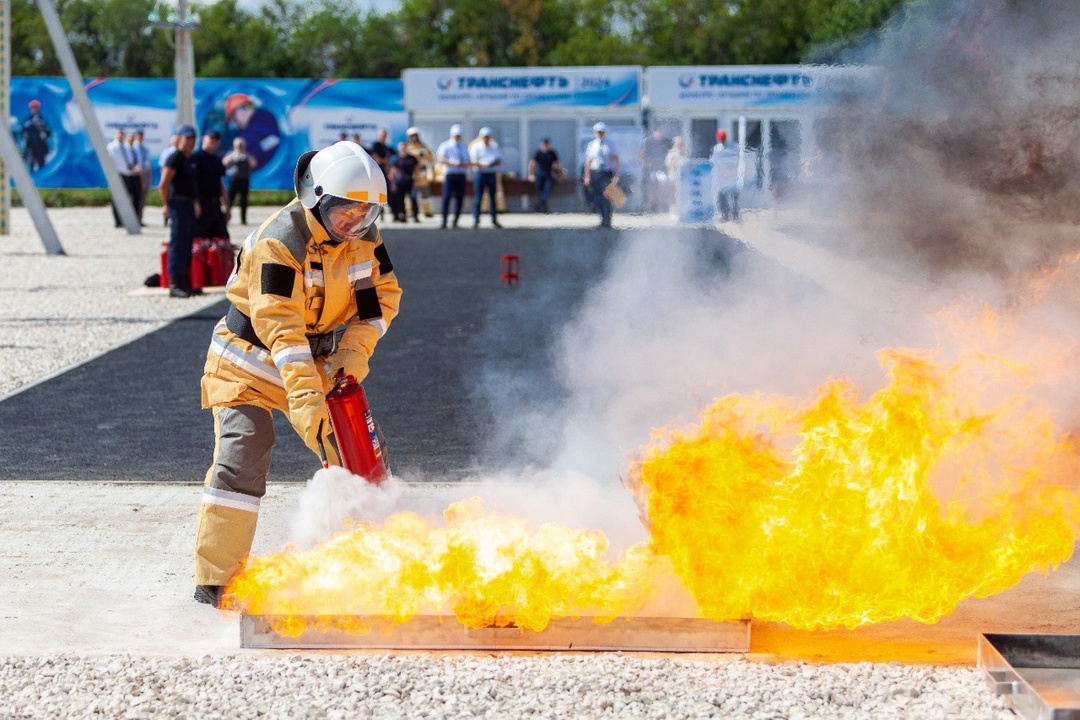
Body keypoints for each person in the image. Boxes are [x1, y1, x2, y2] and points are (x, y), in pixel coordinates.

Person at [192, 141, 401, 608]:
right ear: (317, 198)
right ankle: (218, 580)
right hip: (250, 359)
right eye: (347, 211)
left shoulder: (363, 237)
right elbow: (283, 336)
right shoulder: (279, 243)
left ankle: (373, 563)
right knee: (243, 456)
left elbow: (378, 302)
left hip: (320, 359)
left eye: (367, 214)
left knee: (361, 452)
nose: (356, 224)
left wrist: (351, 357)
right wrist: (309, 404)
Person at [157, 124, 200, 298]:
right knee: (178, 244)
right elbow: (163, 184)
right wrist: (166, 204)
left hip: (188, 205)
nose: (190, 142)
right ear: (179, 138)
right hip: (178, 204)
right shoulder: (174, 157)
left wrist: (196, 203)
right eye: (187, 138)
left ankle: (185, 281)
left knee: (187, 243)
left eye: (192, 139)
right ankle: (174, 283)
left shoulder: (188, 159)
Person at [222, 92, 281, 169]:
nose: (235, 125)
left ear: (240, 112)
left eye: (233, 119)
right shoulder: (265, 118)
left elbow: (242, 144)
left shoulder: (258, 124)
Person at [192, 131, 231, 239]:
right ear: (204, 139)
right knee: (200, 240)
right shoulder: (196, 158)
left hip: (215, 204)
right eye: (211, 139)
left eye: (216, 139)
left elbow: (221, 184)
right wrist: (195, 203)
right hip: (201, 204)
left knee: (221, 237)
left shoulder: (217, 160)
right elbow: (191, 183)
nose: (214, 142)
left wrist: (227, 206)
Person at [582, 122, 620, 229]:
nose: (600, 134)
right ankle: (602, 219)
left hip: (606, 173)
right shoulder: (592, 145)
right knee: (597, 197)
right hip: (596, 173)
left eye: (602, 132)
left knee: (606, 196)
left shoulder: (610, 144)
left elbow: (616, 160)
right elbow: (589, 162)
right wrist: (587, 176)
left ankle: (607, 220)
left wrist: (616, 174)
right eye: (598, 132)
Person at [106, 128, 142, 228]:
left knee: (129, 197)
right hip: (118, 175)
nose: (121, 136)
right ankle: (118, 221)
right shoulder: (112, 147)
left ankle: (127, 220)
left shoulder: (126, 147)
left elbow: (129, 161)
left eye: (122, 134)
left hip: (128, 175)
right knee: (117, 198)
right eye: (119, 134)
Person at [436, 124, 469, 229]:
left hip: (461, 174)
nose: (457, 137)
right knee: (446, 197)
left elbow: (468, 160)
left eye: (459, 135)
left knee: (460, 198)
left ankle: (455, 221)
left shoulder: (463, 147)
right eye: (456, 135)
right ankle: (444, 220)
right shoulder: (446, 145)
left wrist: (462, 163)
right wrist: (452, 162)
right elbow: (440, 158)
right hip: (450, 174)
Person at [469, 127, 503, 228]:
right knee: (478, 197)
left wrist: (493, 164)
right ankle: (476, 219)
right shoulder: (476, 147)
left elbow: (500, 160)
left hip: (491, 174)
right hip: (480, 174)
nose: (486, 139)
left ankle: (494, 218)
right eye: (484, 137)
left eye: (488, 137)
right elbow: (472, 161)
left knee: (493, 197)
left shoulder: (494, 147)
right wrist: (483, 164)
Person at [223, 137, 258, 226]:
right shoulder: (232, 154)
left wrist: (244, 153)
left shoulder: (246, 155)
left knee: (244, 201)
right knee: (230, 200)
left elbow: (254, 163)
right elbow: (225, 162)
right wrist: (235, 153)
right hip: (234, 180)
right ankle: (226, 218)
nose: (240, 147)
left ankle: (243, 219)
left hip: (244, 180)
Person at [710, 129, 741, 222]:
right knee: (722, 197)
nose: (721, 141)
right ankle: (725, 215)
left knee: (734, 197)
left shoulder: (733, 147)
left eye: (722, 139)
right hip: (722, 177)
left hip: (732, 177)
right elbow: (713, 161)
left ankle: (735, 215)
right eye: (720, 139)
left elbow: (737, 159)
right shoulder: (717, 149)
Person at [404, 127, 435, 219]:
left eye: (415, 136)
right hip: (412, 175)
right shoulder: (408, 148)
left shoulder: (424, 147)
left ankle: (427, 211)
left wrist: (432, 171)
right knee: (410, 195)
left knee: (425, 194)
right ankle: (410, 211)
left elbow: (431, 159)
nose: (414, 138)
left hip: (422, 175)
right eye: (412, 136)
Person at [527, 137, 561, 213]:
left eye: (546, 144)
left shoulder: (552, 153)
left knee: (547, 190)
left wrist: (559, 174)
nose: (545, 146)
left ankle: (538, 206)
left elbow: (557, 164)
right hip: (540, 174)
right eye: (543, 144)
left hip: (549, 174)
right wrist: (531, 174)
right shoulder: (538, 153)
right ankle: (543, 208)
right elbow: (532, 164)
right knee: (540, 191)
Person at [641, 128, 670, 213]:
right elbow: (642, 153)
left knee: (664, 186)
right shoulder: (648, 142)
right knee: (651, 188)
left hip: (663, 169)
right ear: (654, 133)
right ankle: (651, 208)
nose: (659, 135)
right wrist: (646, 162)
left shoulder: (665, 142)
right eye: (657, 133)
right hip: (651, 170)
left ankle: (663, 206)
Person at [391, 141, 420, 223]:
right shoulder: (397, 158)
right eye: (401, 147)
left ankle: (415, 215)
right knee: (401, 199)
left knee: (413, 198)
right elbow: (393, 171)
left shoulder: (412, 158)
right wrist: (393, 182)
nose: (403, 148)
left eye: (404, 146)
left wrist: (416, 180)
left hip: (410, 180)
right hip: (401, 181)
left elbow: (416, 170)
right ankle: (402, 215)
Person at [20, 99, 51, 171]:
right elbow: (22, 132)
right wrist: (24, 134)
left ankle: (42, 180)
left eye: (36, 108)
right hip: (30, 146)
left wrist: (45, 134)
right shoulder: (26, 120)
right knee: (31, 166)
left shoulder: (43, 120)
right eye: (33, 108)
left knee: (42, 165)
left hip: (41, 146)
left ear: (38, 109)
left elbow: (48, 132)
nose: (34, 110)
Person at [132, 130, 152, 224]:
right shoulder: (133, 148)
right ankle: (135, 218)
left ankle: (140, 218)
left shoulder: (145, 148)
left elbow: (147, 162)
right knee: (137, 197)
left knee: (142, 198)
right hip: (137, 175)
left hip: (146, 173)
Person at [664, 136, 687, 213]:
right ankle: (673, 212)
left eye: (681, 144)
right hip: (673, 178)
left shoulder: (683, 154)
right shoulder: (671, 153)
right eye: (678, 144)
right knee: (673, 197)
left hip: (682, 179)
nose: (680, 145)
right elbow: (668, 164)